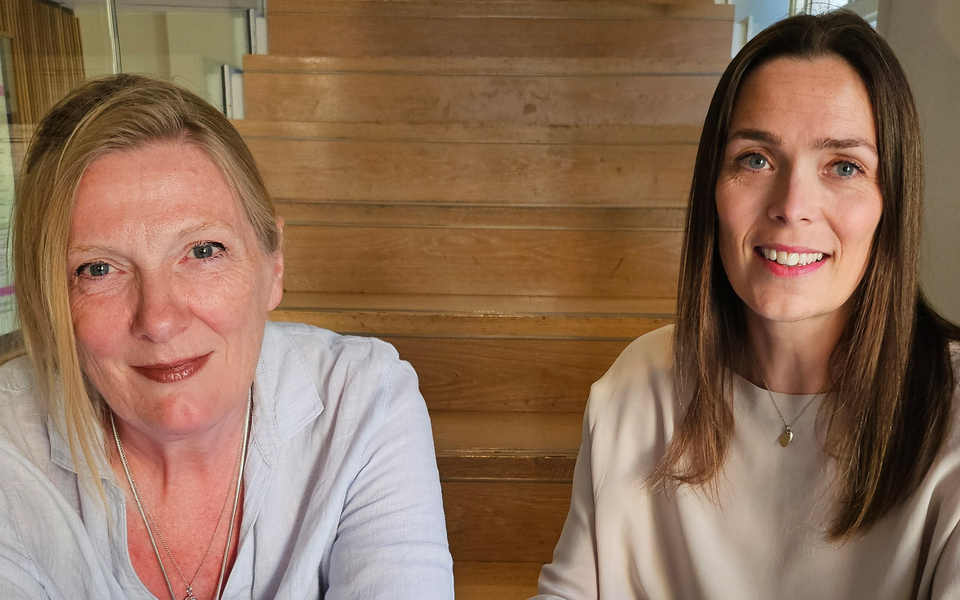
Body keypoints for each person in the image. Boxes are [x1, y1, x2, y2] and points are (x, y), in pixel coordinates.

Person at [533, 10, 960, 600]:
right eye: (755, 158)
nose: (792, 205)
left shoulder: (954, 411)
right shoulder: (637, 385)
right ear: (713, 185)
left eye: (843, 166)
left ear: (891, 202)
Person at [0, 74, 454, 599]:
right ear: (47, 299)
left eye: (203, 251)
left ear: (274, 265)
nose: (160, 320)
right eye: (98, 269)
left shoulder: (363, 400)